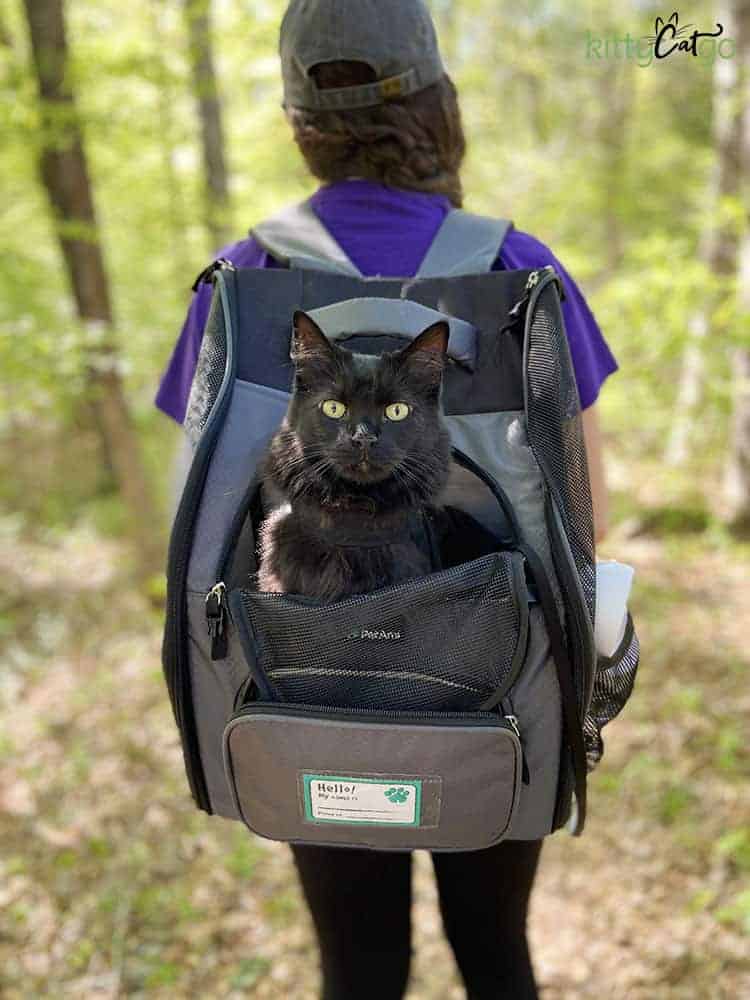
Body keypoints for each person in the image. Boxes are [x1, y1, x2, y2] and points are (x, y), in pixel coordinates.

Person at [156, 2, 617, 997]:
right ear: (437, 104)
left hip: (301, 691)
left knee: (358, 966)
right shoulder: (515, 267)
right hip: (499, 687)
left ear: (299, 121)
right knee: (497, 953)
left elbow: (197, 509)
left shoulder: (243, 278)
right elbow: (588, 515)